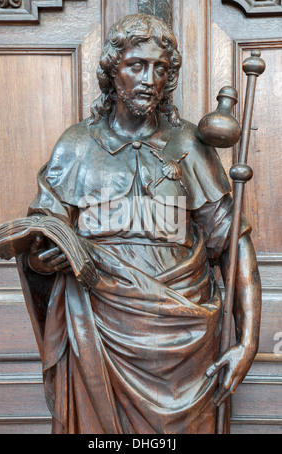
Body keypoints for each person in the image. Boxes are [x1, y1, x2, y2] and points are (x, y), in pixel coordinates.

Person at [17, 13, 261, 434]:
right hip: (98, 331)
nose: (150, 78)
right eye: (137, 65)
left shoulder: (189, 144)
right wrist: (44, 258)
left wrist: (249, 341)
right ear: (114, 71)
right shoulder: (76, 146)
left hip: (184, 342)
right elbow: (40, 243)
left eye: (160, 68)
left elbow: (234, 244)